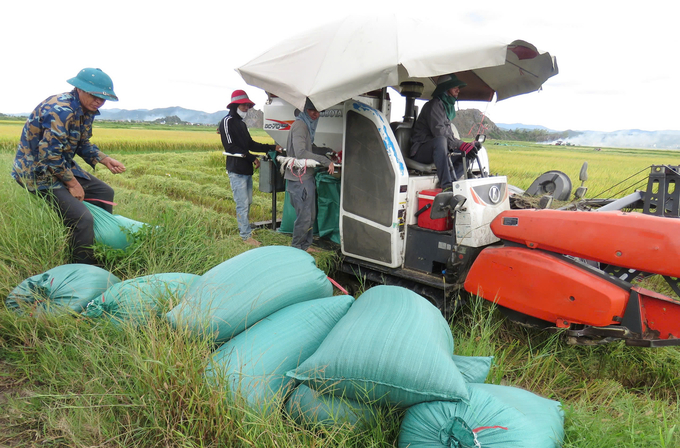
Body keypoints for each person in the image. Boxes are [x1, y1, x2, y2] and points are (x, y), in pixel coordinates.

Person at [12, 67, 126, 265]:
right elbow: (49, 155)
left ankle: (99, 242)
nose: (99, 101)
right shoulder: (60, 110)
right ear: (79, 89)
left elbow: (82, 143)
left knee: (105, 192)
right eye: (95, 95)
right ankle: (82, 266)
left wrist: (104, 159)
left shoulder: (86, 110)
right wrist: (72, 184)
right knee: (82, 219)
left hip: (60, 165)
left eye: (103, 97)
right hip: (35, 171)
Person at [219, 90, 280, 246]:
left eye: (248, 105)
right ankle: (245, 236)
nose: (246, 108)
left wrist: (272, 147)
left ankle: (245, 231)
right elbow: (230, 147)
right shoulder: (227, 121)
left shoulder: (241, 124)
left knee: (248, 202)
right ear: (235, 105)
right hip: (236, 170)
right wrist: (252, 157)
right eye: (244, 105)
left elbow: (250, 144)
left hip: (246, 170)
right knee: (242, 203)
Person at [409, 73, 482, 190]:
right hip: (421, 151)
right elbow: (440, 133)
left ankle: (452, 182)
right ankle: (446, 184)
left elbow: (450, 137)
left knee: (468, 152)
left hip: (438, 151)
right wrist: (462, 145)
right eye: (455, 87)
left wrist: (467, 146)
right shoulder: (434, 106)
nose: (458, 90)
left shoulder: (445, 107)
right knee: (440, 141)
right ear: (445, 89)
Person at [283, 99, 335, 252]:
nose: (316, 114)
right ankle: (296, 249)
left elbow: (309, 148)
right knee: (304, 217)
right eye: (312, 110)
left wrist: (327, 151)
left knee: (310, 216)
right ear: (305, 110)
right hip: (299, 179)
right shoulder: (300, 126)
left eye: (318, 111)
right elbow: (300, 153)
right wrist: (324, 160)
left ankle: (305, 246)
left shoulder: (307, 126)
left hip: (306, 177)